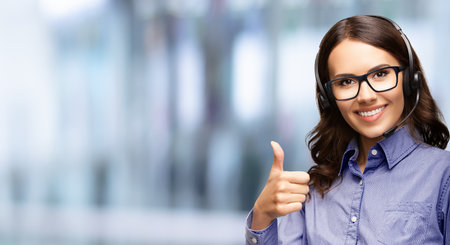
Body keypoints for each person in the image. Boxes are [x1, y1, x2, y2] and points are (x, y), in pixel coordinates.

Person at [245, 15, 450, 244]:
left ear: (409, 78)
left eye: (381, 74)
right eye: (346, 82)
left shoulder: (444, 177)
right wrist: (262, 214)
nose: (366, 96)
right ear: (328, 97)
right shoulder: (312, 189)